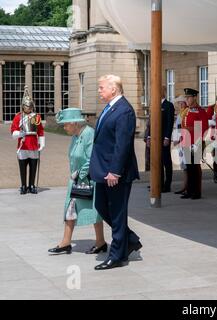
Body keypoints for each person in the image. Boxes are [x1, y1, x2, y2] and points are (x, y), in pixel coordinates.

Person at [89, 74, 142, 270]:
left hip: (115, 172)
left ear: (113, 88)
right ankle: (130, 239)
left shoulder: (124, 110)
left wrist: (115, 171)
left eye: (101, 87)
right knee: (101, 206)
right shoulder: (110, 107)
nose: (99, 91)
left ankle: (117, 255)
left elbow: (123, 144)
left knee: (117, 214)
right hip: (103, 169)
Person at [48, 108, 106, 255]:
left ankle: (100, 242)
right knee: (70, 209)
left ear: (74, 123)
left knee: (94, 211)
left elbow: (91, 158)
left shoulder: (88, 134)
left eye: (66, 124)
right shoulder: (75, 135)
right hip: (76, 180)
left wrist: (80, 173)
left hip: (88, 179)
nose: (64, 127)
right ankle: (66, 242)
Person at [10, 86, 45, 195]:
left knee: (33, 166)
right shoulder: (18, 117)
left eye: (30, 106)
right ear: (23, 106)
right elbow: (13, 131)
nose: (28, 108)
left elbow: (40, 131)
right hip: (23, 145)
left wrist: (42, 143)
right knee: (23, 167)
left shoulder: (36, 117)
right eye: (26, 106)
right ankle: (23, 185)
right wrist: (20, 133)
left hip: (33, 145)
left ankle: (32, 185)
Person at [180, 88, 208, 200]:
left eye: (188, 97)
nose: (186, 99)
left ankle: (197, 192)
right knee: (189, 168)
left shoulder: (200, 111)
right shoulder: (186, 111)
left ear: (194, 97)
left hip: (195, 142)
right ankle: (190, 190)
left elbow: (203, 128)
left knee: (195, 168)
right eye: (186, 97)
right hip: (186, 142)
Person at [160, 86, 175, 192]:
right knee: (157, 162)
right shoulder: (155, 105)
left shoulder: (168, 105)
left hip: (164, 137)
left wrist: (167, 137)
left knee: (166, 161)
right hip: (156, 138)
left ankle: (167, 184)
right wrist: (149, 136)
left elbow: (170, 122)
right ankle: (158, 183)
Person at [173, 95, 189, 195]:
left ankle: (187, 186)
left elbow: (181, 128)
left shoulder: (186, 112)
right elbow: (177, 127)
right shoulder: (181, 113)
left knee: (187, 166)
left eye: (181, 102)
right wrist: (175, 139)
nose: (180, 104)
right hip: (181, 142)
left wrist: (177, 138)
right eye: (179, 103)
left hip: (185, 141)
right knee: (184, 166)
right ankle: (185, 185)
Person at [206, 103, 217, 183]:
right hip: (215, 139)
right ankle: (216, 175)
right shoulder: (212, 115)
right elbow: (208, 121)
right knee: (216, 158)